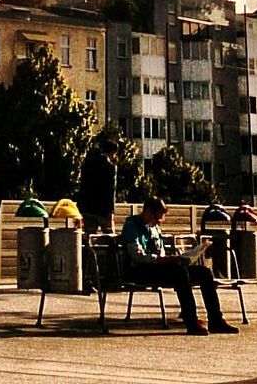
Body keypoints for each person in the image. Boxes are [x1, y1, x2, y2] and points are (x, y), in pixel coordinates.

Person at [120, 196, 237, 335]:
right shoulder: (131, 226)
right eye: (157, 218)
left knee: (204, 272)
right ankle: (191, 321)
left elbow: (160, 251)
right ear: (148, 212)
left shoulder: (154, 227)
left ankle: (216, 319)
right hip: (139, 269)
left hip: (158, 267)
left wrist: (179, 258)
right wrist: (164, 260)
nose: (158, 222)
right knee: (179, 273)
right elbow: (137, 256)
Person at [76, 133, 118, 233]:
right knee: (110, 239)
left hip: (88, 209)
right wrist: (111, 211)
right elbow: (111, 190)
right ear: (113, 152)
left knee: (89, 237)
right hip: (103, 211)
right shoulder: (110, 167)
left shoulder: (89, 164)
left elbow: (83, 186)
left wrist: (80, 208)